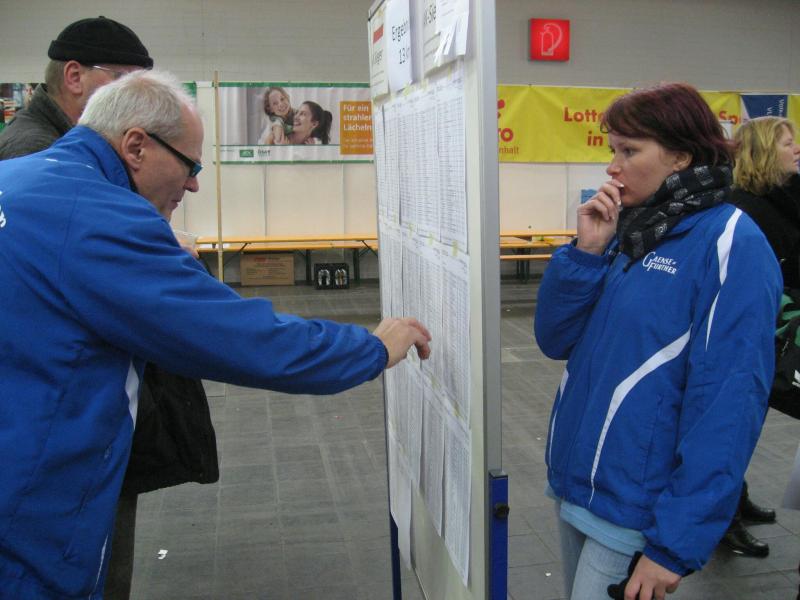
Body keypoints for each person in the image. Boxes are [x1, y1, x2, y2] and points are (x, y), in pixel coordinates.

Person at [0, 69, 432, 600]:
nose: (194, 184)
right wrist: (372, 348)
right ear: (135, 146)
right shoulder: (98, 217)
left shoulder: (19, 177)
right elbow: (244, 339)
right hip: (29, 521)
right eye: (190, 165)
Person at [534, 83, 782, 600]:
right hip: (580, 484)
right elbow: (555, 339)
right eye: (612, 149)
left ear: (681, 156)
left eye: (630, 150)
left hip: (636, 507)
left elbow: (729, 404)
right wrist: (585, 254)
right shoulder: (631, 229)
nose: (613, 167)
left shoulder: (730, 241)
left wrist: (674, 543)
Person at [722, 116, 800, 558]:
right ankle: (722, 520)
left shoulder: (784, 197)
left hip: (777, 332)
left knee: (747, 426)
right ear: (766, 151)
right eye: (787, 142)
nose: (796, 148)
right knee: (733, 430)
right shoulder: (744, 208)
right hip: (752, 337)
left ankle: (737, 497)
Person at [0, 16, 153, 160]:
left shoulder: (72, 140)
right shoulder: (36, 150)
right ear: (75, 77)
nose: (135, 93)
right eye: (122, 78)